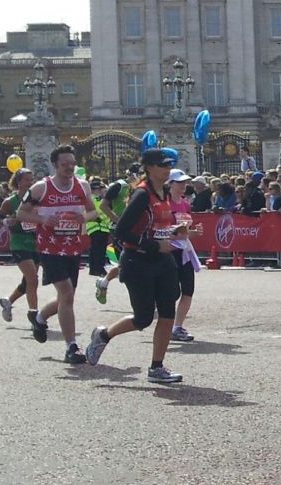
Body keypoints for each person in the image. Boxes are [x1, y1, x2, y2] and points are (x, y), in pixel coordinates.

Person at [84, 147, 185, 383]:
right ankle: (104, 335)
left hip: (163, 261)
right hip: (137, 261)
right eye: (163, 165)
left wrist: (181, 232)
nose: (167, 169)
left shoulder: (166, 194)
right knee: (143, 318)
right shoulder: (142, 195)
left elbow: (162, 226)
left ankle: (156, 367)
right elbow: (121, 232)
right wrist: (153, 246)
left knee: (168, 310)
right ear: (149, 168)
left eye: (170, 164)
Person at [16, 145, 99, 364]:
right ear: (55, 165)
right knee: (66, 292)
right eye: (64, 164)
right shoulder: (40, 188)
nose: (69, 167)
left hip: (73, 247)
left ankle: (40, 318)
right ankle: (71, 346)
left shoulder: (82, 186)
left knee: (67, 296)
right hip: (49, 248)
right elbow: (20, 212)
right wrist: (43, 220)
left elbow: (93, 212)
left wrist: (84, 218)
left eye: (72, 163)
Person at [166, 169, 204, 342]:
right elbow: (159, 231)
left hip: (185, 252)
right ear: (170, 184)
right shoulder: (164, 205)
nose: (183, 186)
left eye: (185, 183)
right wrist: (178, 234)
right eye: (179, 183)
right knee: (171, 292)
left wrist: (194, 232)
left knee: (188, 290)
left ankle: (177, 327)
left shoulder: (185, 204)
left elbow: (186, 230)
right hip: (168, 251)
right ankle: (165, 325)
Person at [0, 169, 41, 326]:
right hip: (19, 243)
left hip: (35, 243)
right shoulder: (10, 201)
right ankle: (34, 315)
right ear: (18, 182)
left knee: (27, 282)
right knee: (33, 279)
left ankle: (8, 302)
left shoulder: (37, 199)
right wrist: (7, 221)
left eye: (32, 179)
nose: (30, 183)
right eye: (26, 180)